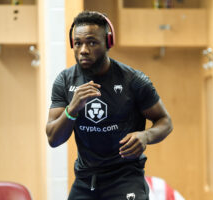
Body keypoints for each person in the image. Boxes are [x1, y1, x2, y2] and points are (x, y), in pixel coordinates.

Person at [46, 10, 173, 200]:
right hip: (86, 179)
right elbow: (53, 139)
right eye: (78, 43)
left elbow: (165, 121)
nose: (83, 50)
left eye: (92, 42)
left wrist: (146, 135)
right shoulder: (64, 81)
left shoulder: (133, 80)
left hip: (125, 178)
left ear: (108, 43)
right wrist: (72, 109)